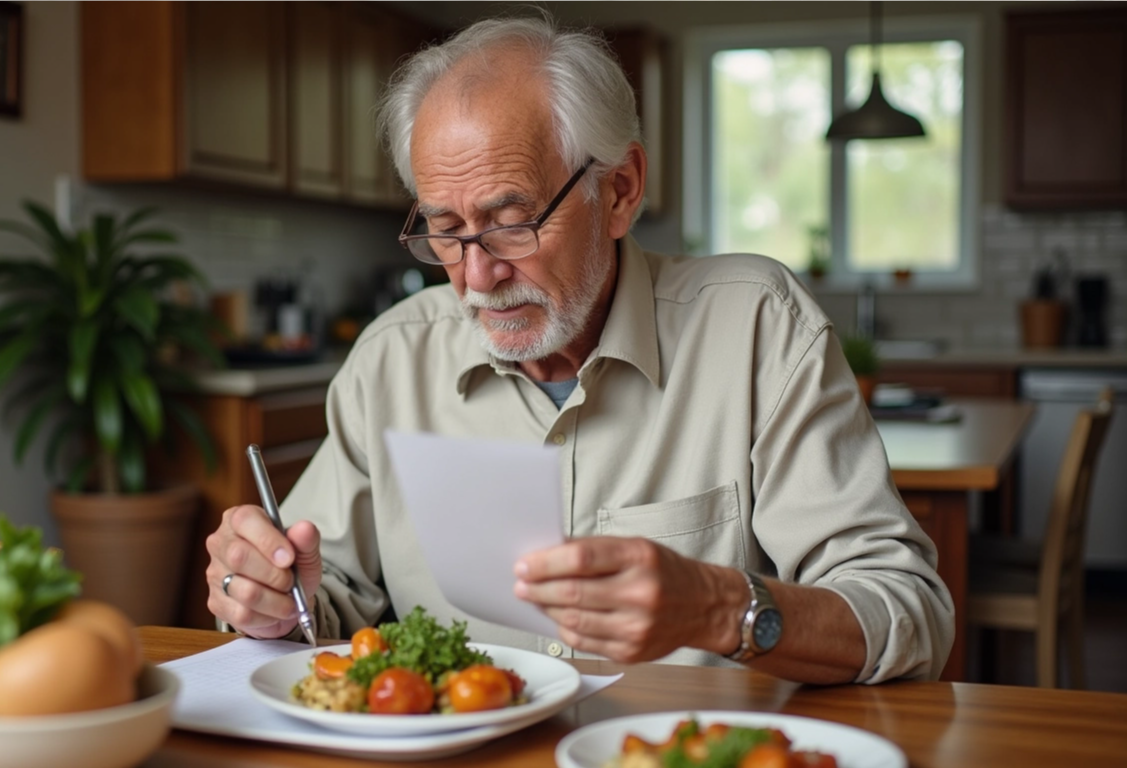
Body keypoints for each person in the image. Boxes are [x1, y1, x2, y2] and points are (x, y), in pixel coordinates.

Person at [206, 16, 954, 684]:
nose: (476, 276)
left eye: (511, 221)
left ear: (620, 190)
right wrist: (272, 596)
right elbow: (325, 592)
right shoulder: (391, 362)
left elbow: (906, 610)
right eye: (444, 229)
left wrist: (721, 608)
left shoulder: (757, 326)